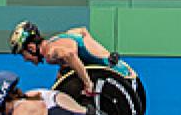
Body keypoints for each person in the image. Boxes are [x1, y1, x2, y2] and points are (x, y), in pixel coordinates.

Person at [9, 21, 137, 96]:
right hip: (125, 71)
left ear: (31, 48)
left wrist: (88, 83)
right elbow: (82, 31)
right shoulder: (55, 39)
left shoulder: (50, 54)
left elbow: (69, 54)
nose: (25, 59)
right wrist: (105, 54)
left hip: (123, 81)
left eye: (23, 54)